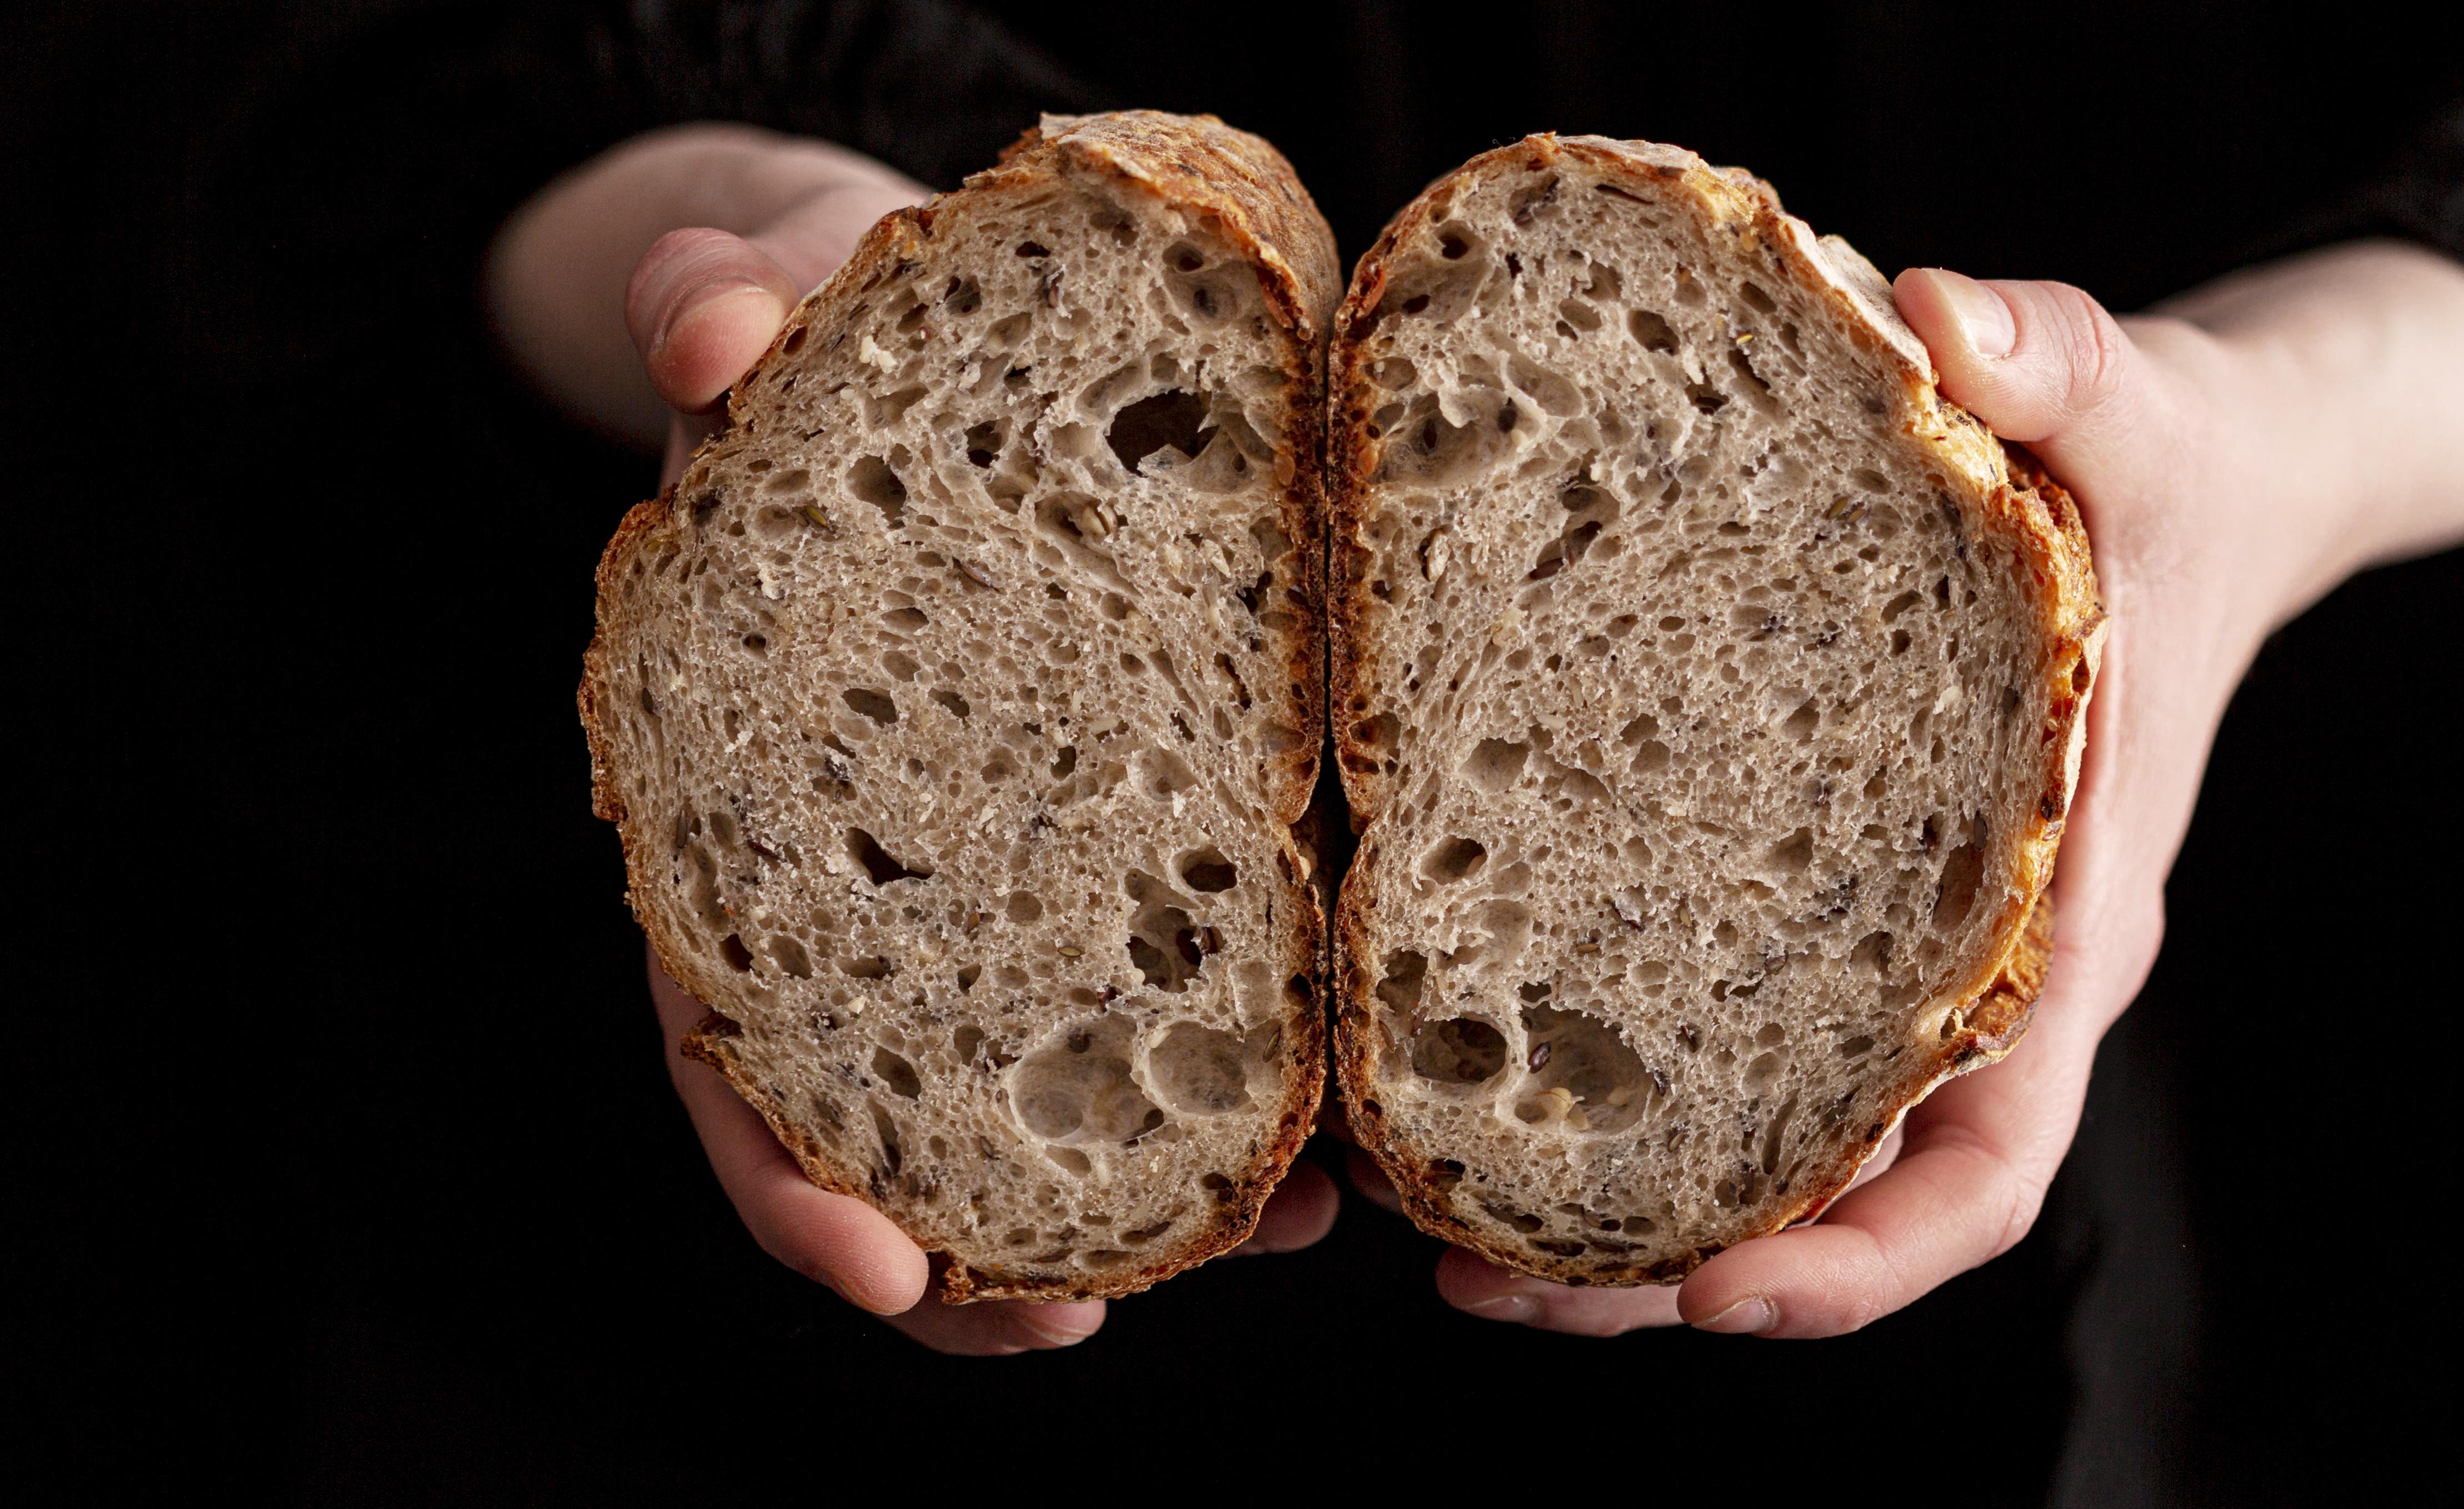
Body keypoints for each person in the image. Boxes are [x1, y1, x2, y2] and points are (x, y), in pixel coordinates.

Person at [474, 21, 2464, 1360]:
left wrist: (2261, 438)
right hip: (618, 1305)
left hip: (2175, 1184)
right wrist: (774, 273)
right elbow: (361, 87)